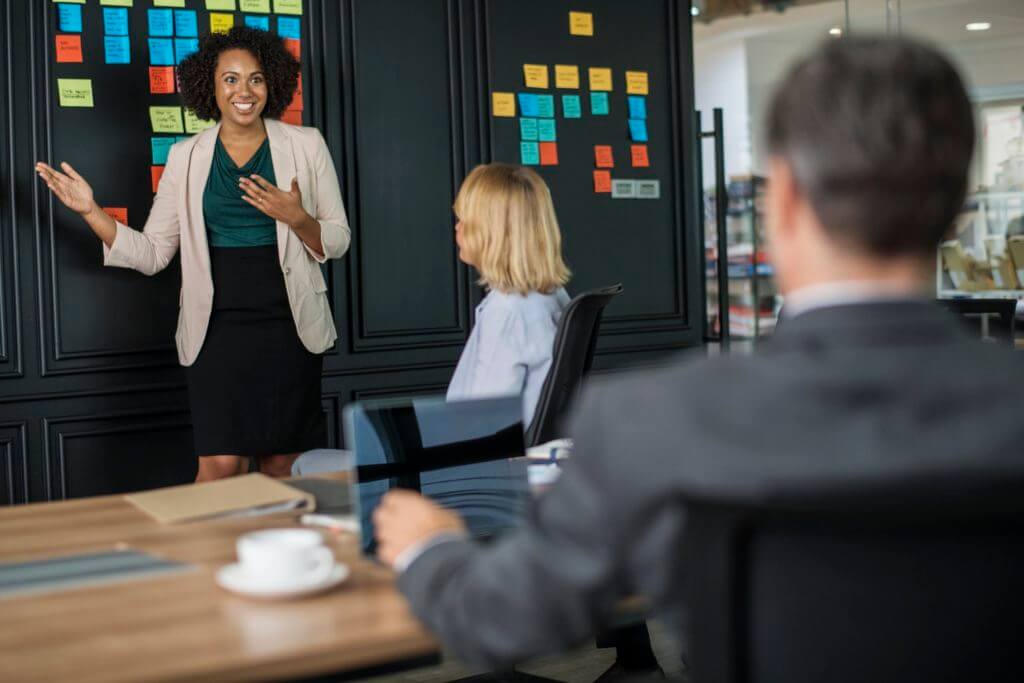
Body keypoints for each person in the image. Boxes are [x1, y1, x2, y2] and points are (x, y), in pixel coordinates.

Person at [372, 36, 1024, 672]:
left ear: (786, 198)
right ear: (959, 210)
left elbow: (498, 618)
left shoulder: (649, 423)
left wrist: (430, 548)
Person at [35, 27, 350, 482]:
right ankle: (211, 556)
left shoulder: (307, 144)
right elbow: (153, 253)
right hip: (215, 330)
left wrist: (298, 217)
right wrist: (90, 211)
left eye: (256, 79)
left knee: (284, 465)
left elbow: (338, 238)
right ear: (210, 86)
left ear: (272, 84)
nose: (245, 91)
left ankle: (278, 553)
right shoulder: (185, 156)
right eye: (231, 79)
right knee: (219, 468)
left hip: (290, 328)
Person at [292, 163, 570, 475]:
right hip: (500, 461)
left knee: (309, 462)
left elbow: (476, 430)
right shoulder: (553, 296)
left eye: (465, 220)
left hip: (463, 472)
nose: (458, 228)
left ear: (491, 231)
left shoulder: (507, 313)